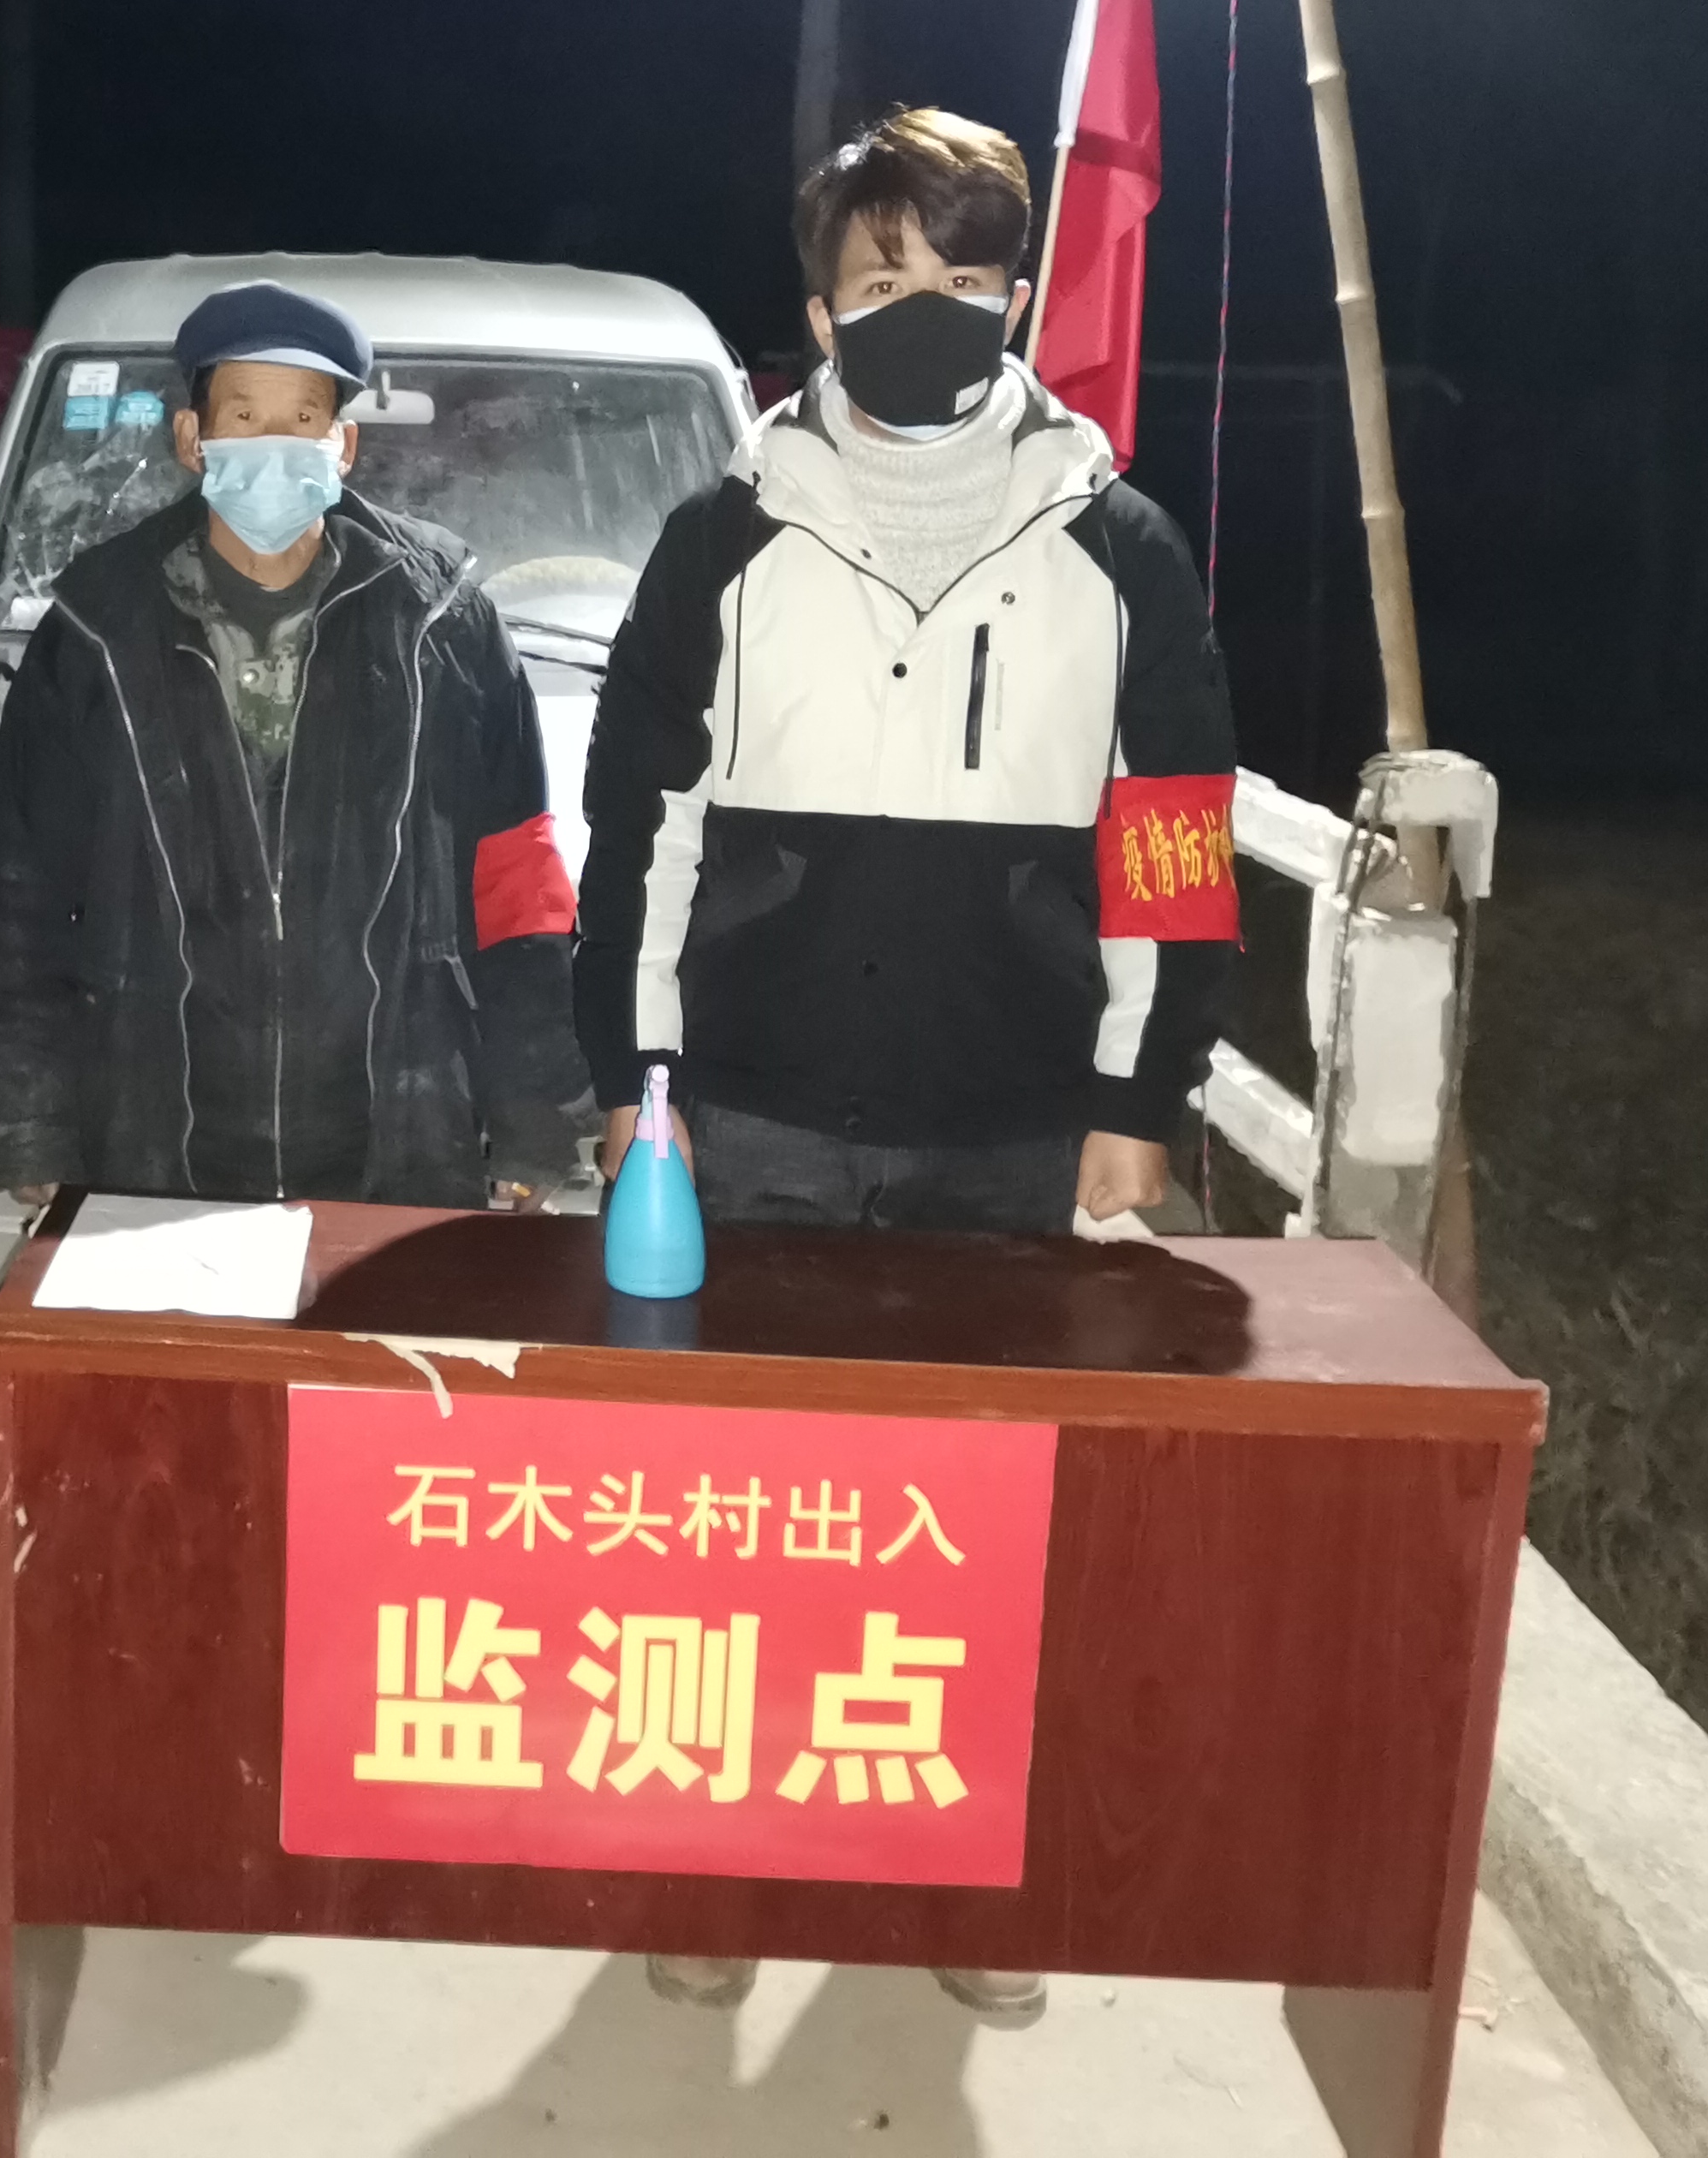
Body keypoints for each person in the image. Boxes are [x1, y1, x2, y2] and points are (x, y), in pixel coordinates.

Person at [574, 106, 1239, 2016]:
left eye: (962, 272)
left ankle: (962, 1885)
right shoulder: (722, 541)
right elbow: (641, 830)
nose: (925, 305)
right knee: (740, 1518)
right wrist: (632, 1075)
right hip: (755, 1116)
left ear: (1015, 297)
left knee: (981, 1531)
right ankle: (718, 1872)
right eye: (883, 278)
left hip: (1010, 1124)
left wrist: (1138, 1101)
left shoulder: (1118, 548)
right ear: (817, 312)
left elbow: (1172, 837)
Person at [0, 279, 587, 1214]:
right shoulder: (97, 630)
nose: (275, 445)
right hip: (154, 1136)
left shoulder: (441, 624)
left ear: (344, 445)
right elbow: (23, 891)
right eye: (245, 416)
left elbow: (518, 883)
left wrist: (535, 1117)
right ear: (193, 438)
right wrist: (26, 1123)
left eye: (303, 419)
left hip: (399, 1132)